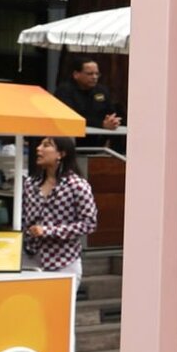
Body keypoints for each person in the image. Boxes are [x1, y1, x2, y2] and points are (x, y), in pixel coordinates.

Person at [24, 136, 97, 294]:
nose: (38, 148)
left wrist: (48, 231)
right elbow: (24, 219)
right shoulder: (30, 183)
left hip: (63, 262)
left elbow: (89, 223)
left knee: (58, 309)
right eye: (40, 144)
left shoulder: (77, 185)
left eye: (46, 145)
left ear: (61, 154)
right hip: (30, 261)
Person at [53, 57, 123, 154]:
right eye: (90, 74)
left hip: (98, 142)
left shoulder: (101, 90)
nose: (94, 77)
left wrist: (113, 120)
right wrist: (101, 124)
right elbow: (72, 117)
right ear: (76, 74)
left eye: (97, 74)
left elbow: (111, 111)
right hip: (72, 143)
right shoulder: (64, 91)